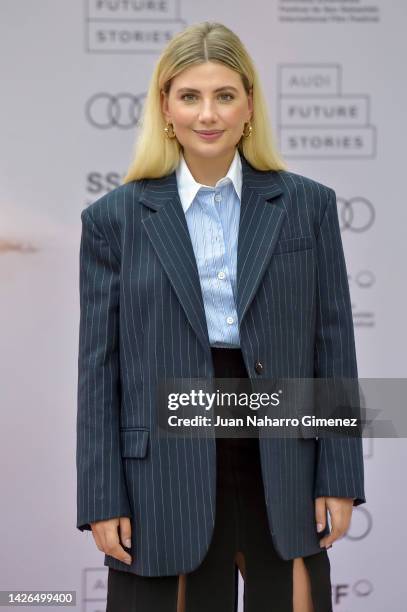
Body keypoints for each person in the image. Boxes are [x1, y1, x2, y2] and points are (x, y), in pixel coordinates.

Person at [76, 21, 366, 612]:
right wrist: (100, 496)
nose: (208, 114)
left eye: (224, 95)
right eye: (190, 96)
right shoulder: (114, 219)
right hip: (162, 471)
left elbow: (331, 344)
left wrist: (339, 476)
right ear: (165, 107)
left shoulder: (307, 205)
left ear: (249, 106)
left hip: (282, 457)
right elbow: (97, 369)